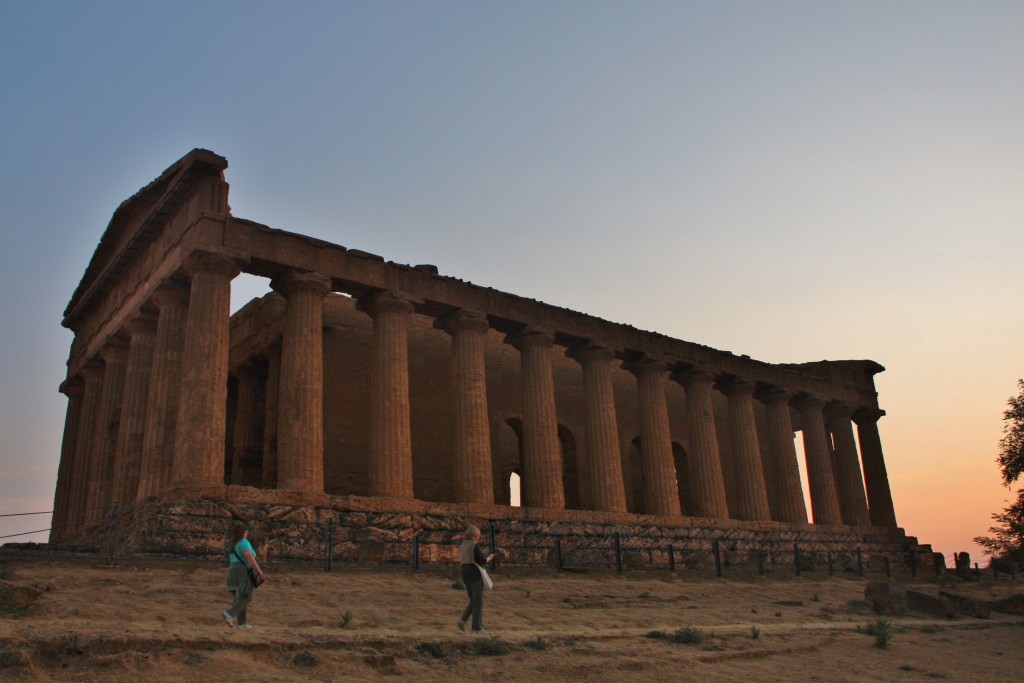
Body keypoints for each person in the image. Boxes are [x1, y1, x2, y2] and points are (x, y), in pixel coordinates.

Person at [222, 521, 264, 629]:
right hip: (243, 571)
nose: (247, 532)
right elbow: (249, 556)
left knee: (239, 597)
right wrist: (258, 569)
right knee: (247, 596)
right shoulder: (244, 542)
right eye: (246, 531)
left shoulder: (233, 542)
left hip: (233, 570)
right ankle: (229, 614)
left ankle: (242, 623)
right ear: (243, 533)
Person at [457, 525, 495, 633]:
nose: (478, 537)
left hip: (466, 575)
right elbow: (482, 561)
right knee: (478, 602)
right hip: (475, 576)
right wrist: (490, 558)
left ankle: (463, 621)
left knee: (473, 601)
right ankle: (476, 627)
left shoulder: (463, 545)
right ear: (474, 535)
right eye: (478, 535)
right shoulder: (474, 546)